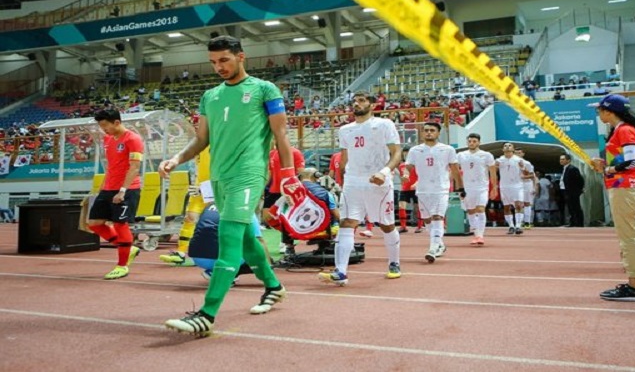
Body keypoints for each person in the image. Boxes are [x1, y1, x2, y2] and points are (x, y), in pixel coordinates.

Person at [160, 35, 294, 336]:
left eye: (224, 60)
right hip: (218, 177)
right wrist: (177, 158)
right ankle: (273, 286)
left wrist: (288, 174)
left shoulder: (264, 89)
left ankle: (206, 314)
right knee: (247, 239)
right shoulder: (210, 96)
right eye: (213, 62)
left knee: (228, 238)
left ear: (240, 57)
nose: (218, 67)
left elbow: (281, 134)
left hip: (248, 173)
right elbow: (201, 138)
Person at [318, 92, 403, 285]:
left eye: (362, 100)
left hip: (378, 181)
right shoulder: (345, 129)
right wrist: (341, 179)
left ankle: (394, 263)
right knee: (347, 222)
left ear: (372, 105)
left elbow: (396, 153)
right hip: (353, 182)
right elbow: (344, 158)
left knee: (386, 224)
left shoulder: (384, 124)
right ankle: (340, 272)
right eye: (354, 101)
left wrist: (384, 172)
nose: (356, 104)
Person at [590, 94, 635, 301]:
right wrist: (606, 167)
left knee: (629, 238)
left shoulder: (624, 130)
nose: (598, 113)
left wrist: (607, 168)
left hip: (625, 188)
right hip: (622, 187)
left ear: (609, 111)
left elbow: (632, 163)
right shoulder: (621, 130)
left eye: (600, 109)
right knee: (629, 237)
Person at [85, 109, 144, 280]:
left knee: (120, 224)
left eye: (105, 126)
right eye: (101, 126)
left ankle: (122, 266)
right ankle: (127, 247)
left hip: (127, 188)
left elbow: (134, 167)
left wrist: (122, 191)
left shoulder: (133, 139)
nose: (104, 129)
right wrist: (102, 187)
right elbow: (111, 166)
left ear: (117, 122)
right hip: (108, 188)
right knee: (94, 223)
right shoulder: (108, 139)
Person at [404, 122, 463, 263]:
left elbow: (455, 170)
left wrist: (461, 188)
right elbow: (408, 167)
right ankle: (440, 244)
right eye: (426, 130)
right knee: (427, 220)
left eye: (432, 130)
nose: (428, 133)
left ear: (438, 133)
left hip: (441, 189)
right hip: (423, 190)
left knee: (437, 217)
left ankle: (432, 248)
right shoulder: (415, 150)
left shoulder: (447, 149)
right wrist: (406, 174)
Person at [457, 133, 497, 246]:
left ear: (479, 142)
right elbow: (454, 172)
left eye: (474, 141)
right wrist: (457, 187)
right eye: (469, 141)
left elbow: (492, 172)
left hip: (482, 187)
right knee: (471, 211)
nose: (472, 143)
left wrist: (494, 187)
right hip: (467, 187)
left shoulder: (486, 155)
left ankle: (480, 235)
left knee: (480, 209)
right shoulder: (461, 155)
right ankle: (476, 234)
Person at [496, 143, 526, 235]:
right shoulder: (499, 160)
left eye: (510, 146)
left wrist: (522, 166)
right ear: (502, 149)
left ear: (513, 149)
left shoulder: (519, 160)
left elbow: (525, 171)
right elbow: (493, 172)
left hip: (517, 185)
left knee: (519, 205)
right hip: (504, 186)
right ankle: (511, 226)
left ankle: (518, 226)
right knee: (506, 207)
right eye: (505, 146)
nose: (507, 147)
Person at [396, 148, 421, 234]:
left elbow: (421, 176)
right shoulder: (401, 165)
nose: (406, 155)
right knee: (401, 206)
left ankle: (419, 226)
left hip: (415, 188)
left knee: (417, 207)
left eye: (408, 153)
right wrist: (402, 183)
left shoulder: (417, 164)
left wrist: (416, 184)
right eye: (404, 153)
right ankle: (403, 226)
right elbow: (401, 176)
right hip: (405, 188)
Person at [559, 154, 585, 227]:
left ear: (568, 160)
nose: (561, 160)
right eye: (560, 159)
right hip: (566, 191)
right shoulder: (565, 168)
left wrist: (579, 190)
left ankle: (579, 223)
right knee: (570, 207)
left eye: (563, 159)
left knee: (576, 207)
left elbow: (580, 180)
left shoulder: (572, 168)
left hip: (572, 192)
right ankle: (573, 222)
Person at [515, 149, 537, 229]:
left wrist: (523, 177)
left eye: (519, 153)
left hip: (526, 184)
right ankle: (519, 223)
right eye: (515, 153)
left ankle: (527, 222)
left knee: (527, 203)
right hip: (517, 185)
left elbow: (532, 175)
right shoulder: (512, 163)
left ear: (523, 154)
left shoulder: (527, 163)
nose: (517, 154)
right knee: (518, 204)